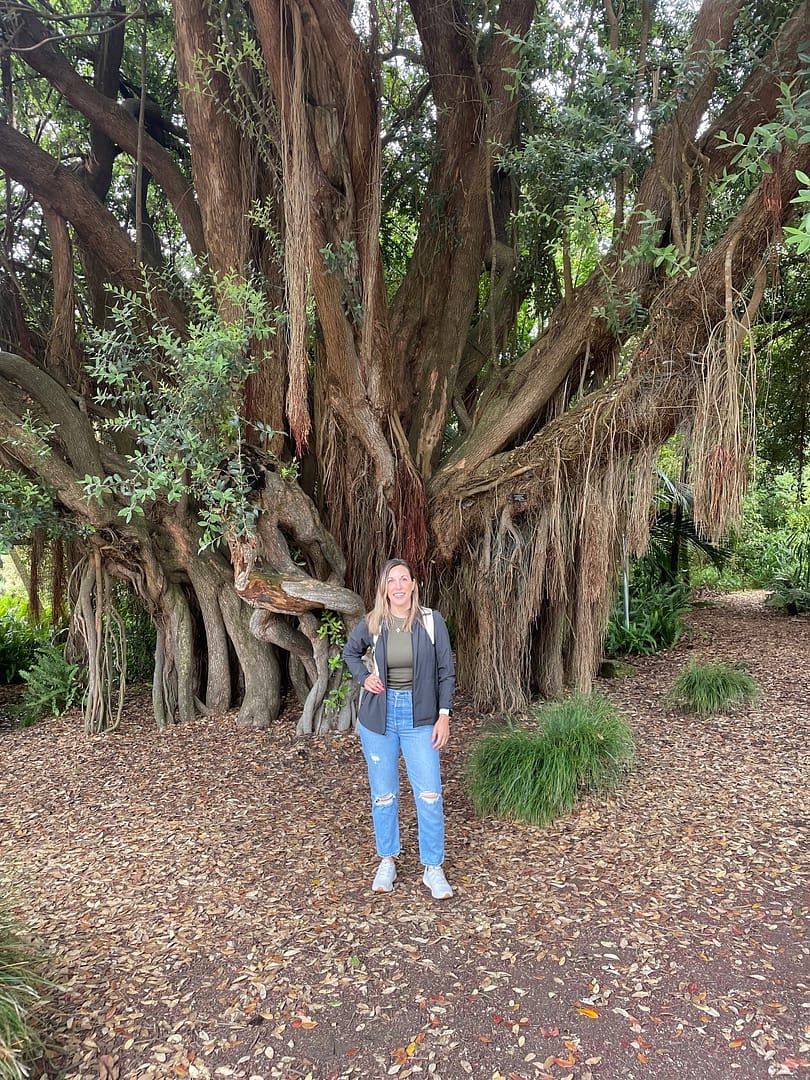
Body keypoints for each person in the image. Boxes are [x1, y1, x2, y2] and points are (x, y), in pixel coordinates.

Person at [343, 558, 455, 899]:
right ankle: (388, 860)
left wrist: (444, 715)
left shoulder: (431, 622)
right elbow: (350, 653)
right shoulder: (374, 623)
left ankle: (432, 868)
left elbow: (446, 672)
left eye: (403, 579)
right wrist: (365, 677)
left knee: (430, 794)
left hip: (420, 717)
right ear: (384, 588)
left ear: (413, 584)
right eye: (391, 580)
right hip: (380, 718)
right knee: (384, 795)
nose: (398, 586)